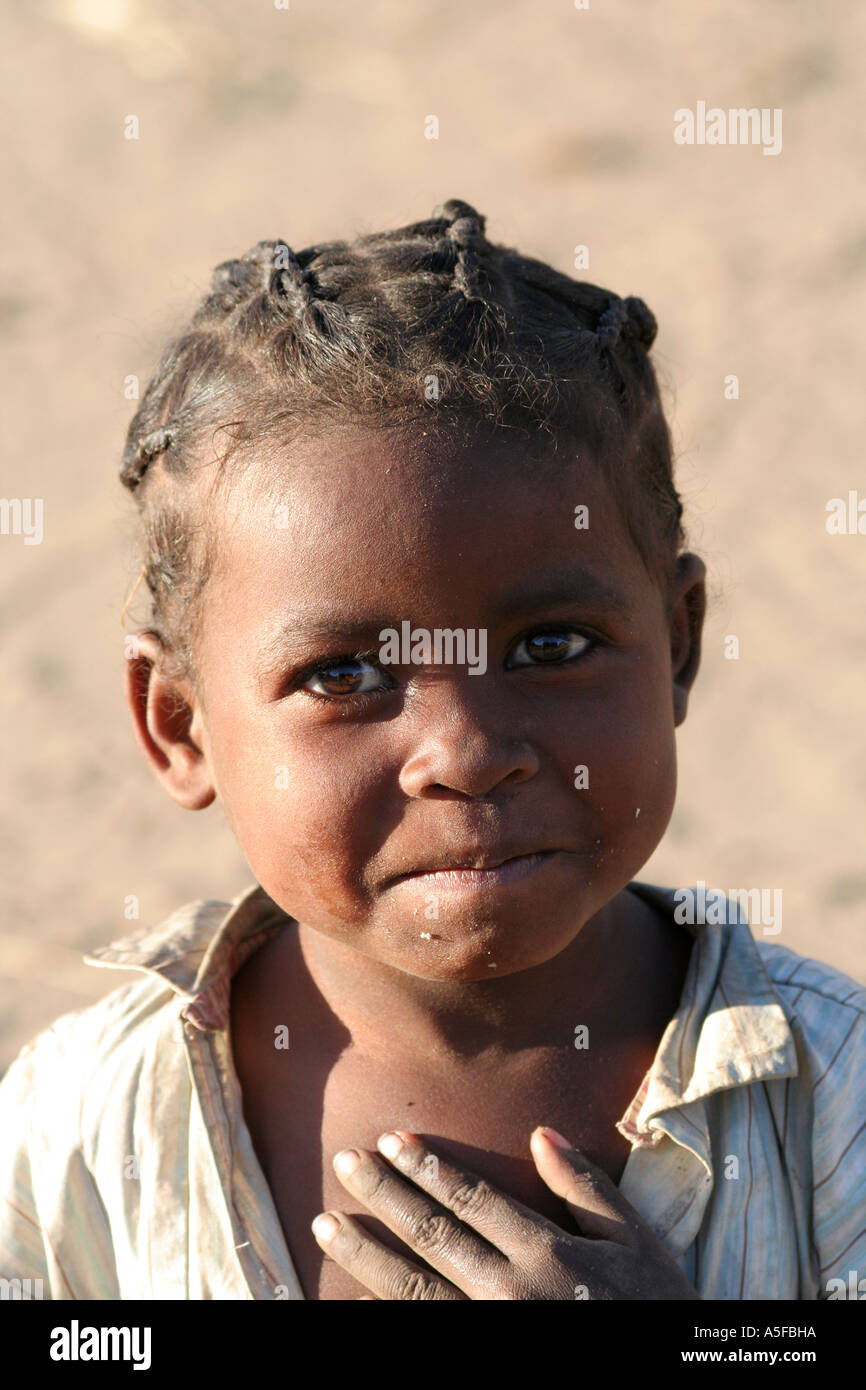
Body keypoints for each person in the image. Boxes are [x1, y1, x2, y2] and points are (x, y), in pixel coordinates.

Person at [1, 199, 863, 1301]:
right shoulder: (85, 1120)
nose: (463, 750)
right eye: (343, 675)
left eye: (550, 645)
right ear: (179, 724)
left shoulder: (828, 1098)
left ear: (678, 643)